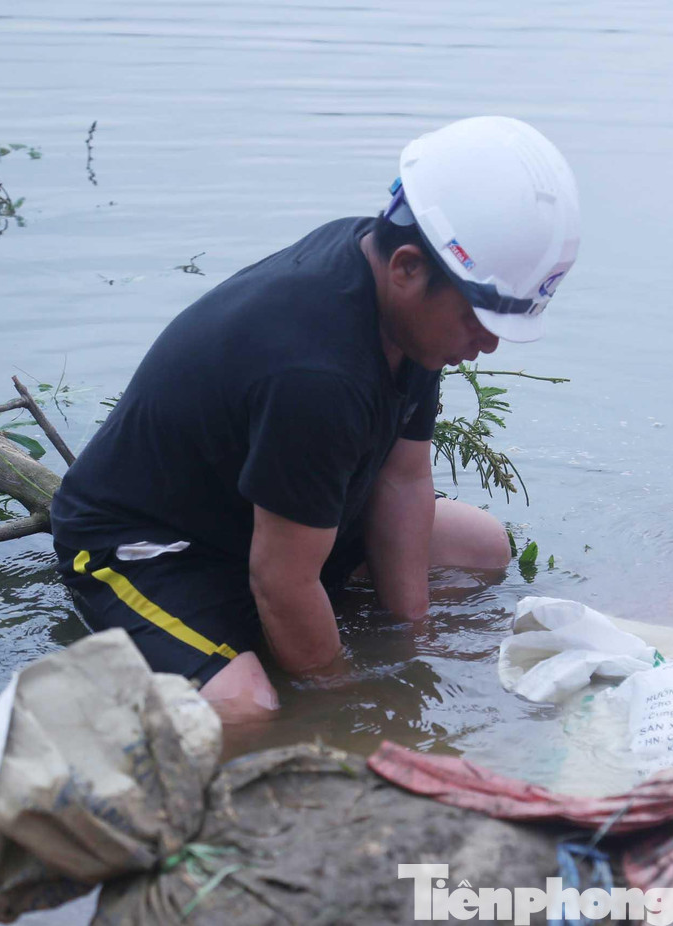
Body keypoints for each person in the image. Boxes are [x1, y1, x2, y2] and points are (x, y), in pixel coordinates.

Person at [49, 116, 581, 720]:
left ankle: (289, 632)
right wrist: (346, 703)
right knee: (248, 708)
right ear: (408, 268)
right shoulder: (315, 372)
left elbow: (403, 479)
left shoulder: (407, 305)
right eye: (478, 318)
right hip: (153, 547)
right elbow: (281, 580)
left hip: (263, 523)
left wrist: (412, 640)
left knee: (483, 549)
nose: (487, 344)